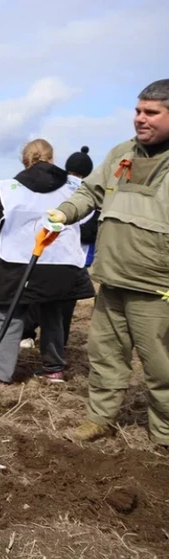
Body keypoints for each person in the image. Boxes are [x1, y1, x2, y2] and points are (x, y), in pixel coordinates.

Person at [47, 79, 169, 446]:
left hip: (157, 288)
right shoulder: (121, 154)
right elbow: (89, 191)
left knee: (160, 367)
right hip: (113, 278)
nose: (140, 119)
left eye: (151, 113)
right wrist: (64, 212)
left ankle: (164, 434)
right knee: (105, 356)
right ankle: (99, 418)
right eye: (137, 111)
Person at [0, 139, 94, 392]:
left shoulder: (10, 187)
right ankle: (54, 369)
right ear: (53, 159)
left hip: (16, 262)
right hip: (61, 262)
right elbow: (89, 226)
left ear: (25, 160)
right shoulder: (76, 188)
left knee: (6, 314)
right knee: (54, 314)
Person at [21, 145, 97, 348]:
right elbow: (91, 232)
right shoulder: (90, 193)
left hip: (47, 250)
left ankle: (26, 334)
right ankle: (57, 345)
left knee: (38, 295)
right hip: (75, 259)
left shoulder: (56, 184)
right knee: (64, 303)